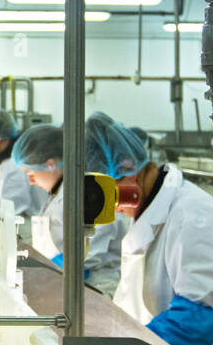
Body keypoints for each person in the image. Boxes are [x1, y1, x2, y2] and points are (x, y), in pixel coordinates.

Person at [83, 111, 213, 345]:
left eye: (109, 190)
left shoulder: (194, 215)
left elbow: (198, 320)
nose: (109, 204)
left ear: (127, 170)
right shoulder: (148, 207)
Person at [12, 123, 131, 294]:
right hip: (65, 282)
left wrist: (45, 269)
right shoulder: (60, 191)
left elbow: (88, 255)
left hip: (94, 287)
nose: (30, 182)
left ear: (50, 164)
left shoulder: (86, 193)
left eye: (32, 175)